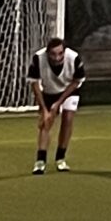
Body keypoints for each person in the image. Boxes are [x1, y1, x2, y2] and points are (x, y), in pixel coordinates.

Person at [28, 34, 85, 173]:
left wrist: (58, 103)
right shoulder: (38, 58)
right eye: (53, 54)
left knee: (68, 118)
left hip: (69, 90)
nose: (57, 57)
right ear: (47, 52)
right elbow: (34, 84)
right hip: (49, 91)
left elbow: (76, 81)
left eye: (60, 53)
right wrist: (44, 110)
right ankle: (40, 161)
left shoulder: (74, 58)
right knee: (45, 123)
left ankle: (60, 159)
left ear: (64, 51)